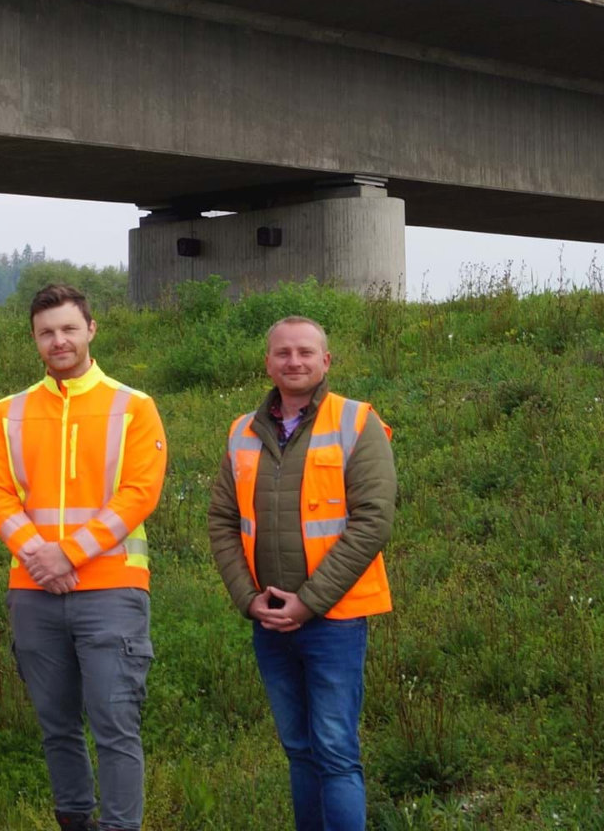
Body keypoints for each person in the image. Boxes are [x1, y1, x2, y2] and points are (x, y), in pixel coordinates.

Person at [0, 284, 167, 831]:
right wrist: (41, 557)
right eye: (46, 332)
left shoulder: (133, 407)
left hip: (112, 590)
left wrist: (70, 554)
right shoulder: (10, 411)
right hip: (35, 591)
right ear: (35, 340)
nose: (58, 341)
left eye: (68, 328)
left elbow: (138, 493)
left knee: (115, 723)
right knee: (56, 724)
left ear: (91, 330)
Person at [206, 316, 395, 831]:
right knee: (298, 748)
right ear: (267, 362)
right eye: (283, 353)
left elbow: (374, 520)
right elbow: (223, 519)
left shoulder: (357, 422)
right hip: (268, 620)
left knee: (334, 750)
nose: (295, 361)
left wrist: (309, 601)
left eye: (306, 353)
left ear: (326, 361)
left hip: (334, 621)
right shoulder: (242, 431)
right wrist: (248, 599)